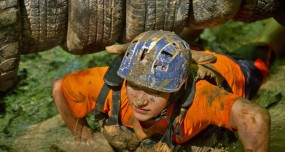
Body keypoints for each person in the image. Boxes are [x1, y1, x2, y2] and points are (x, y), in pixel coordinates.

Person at [53, 30, 271, 152]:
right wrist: (84, 138)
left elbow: (255, 117)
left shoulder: (201, 100)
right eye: (135, 86)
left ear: (176, 91)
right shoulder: (110, 85)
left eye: (155, 92)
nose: (140, 100)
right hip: (170, 55)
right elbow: (60, 88)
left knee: (266, 50)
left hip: (231, 68)